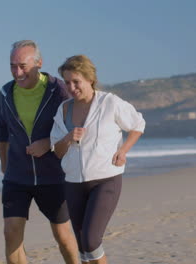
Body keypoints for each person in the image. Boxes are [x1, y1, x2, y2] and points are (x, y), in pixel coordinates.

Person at [50, 55, 145, 263]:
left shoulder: (109, 102)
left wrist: (124, 150)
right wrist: (67, 137)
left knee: (91, 240)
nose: (72, 87)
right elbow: (57, 151)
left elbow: (138, 124)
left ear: (90, 79)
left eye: (76, 81)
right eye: (67, 82)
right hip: (74, 182)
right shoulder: (64, 109)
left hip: (105, 179)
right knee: (83, 247)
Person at [0, 40, 79, 264]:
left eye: (22, 66)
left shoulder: (59, 90)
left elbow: (76, 127)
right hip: (17, 176)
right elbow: (2, 128)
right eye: (13, 66)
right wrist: (5, 164)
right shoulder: (5, 92)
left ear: (39, 63)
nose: (17, 72)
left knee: (62, 235)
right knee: (11, 232)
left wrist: (48, 143)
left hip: (53, 175)